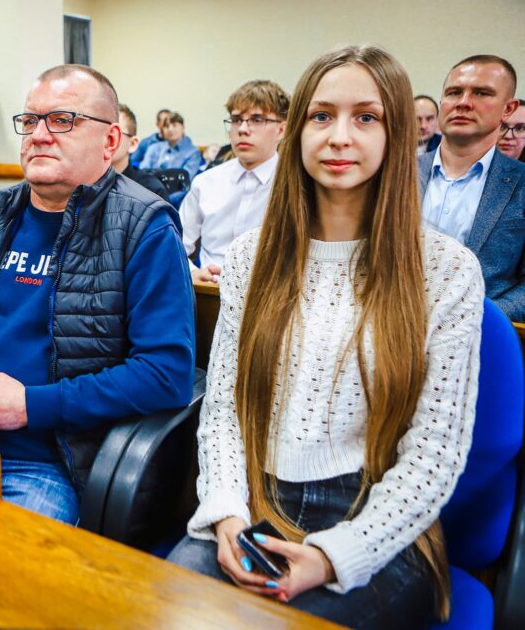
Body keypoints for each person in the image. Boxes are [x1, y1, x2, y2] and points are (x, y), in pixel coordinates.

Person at [168, 45, 484, 629]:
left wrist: (331, 557)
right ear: (298, 133)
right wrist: (227, 515)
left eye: (366, 117)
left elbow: (435, 453)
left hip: (376, 521)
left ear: (399, 134)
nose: (340, 136)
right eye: (321, 116)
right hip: (258, 502)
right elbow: (225, 413)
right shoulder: (248, 258)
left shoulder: (446, 270)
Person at [0, 64, 195, 524]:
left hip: (44, 465)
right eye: (30, 121)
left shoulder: (145, 226)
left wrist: (29, 406)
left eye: (63, 120)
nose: (39, 135)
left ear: (110, 142)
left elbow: (166, 374)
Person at [419, 54, 525, 322]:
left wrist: (473, 318)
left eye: (481, 93)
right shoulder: (397, 173)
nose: (464, 103)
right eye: (454, 92)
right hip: (390, 333)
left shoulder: (520, 184)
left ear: (508, 109)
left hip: (480, 339)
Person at [180, 80, 289, 284]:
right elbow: (174, 245)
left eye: (257, 119)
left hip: (270, 299)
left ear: (281, 130)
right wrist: (192, 273)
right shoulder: (206, 182)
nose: (242, 129)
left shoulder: (294, 185)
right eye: (236, 119)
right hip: (207, 293)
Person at [114, 104, 169, 200]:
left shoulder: (150, 190)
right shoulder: (83, 183)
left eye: (114, 133)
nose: (103, 139)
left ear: (132, 144)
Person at [139, 111, 203, 175]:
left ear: (183, 127)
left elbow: (185, 178)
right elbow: (142, 172)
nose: (170, 129)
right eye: (167, 126)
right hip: (150, 183)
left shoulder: (193, 152)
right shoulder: (154, 148)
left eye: (174, 125)